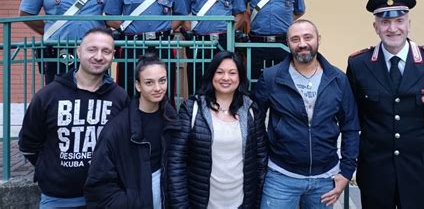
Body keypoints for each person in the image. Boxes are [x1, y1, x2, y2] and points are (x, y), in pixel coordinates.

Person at [346, 0, 424, 209]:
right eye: (385, 22)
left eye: (399, 20)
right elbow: (354, 117)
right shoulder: (359, 64)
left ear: (409, 24)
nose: (393, 28)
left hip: (422, 171)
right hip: (377, 172)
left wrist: (418, 145)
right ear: (375, 27)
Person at [18, 27, 128, 209]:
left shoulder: (119, 97)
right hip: (58, 199)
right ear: (78, 51)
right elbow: (28, 144)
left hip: (105, 197)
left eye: (106, 51)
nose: (99, 56)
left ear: (113, 55)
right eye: (92, 49)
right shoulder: (48, 95)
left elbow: (123, 145)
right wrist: (51, 170)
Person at [254, 19, 359, 208]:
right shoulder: (271, 78)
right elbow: (255, 123)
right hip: (281, 177)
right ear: (288, 43)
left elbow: (351, 126)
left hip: (325, 179)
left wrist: (346, 172)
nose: (302, 44)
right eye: (295, 39)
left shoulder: (337, 79)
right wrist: (262, 159)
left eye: (307, 37)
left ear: (318, 39)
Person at [168, 51, 267, 209]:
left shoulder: (251, 111)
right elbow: (176, 162)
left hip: (241, 203)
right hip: (201, 203)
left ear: (240, 77)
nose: (226, 78)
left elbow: (261, 160)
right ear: (211, 75)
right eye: (219, 72)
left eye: (232, 73)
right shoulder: (192, 108)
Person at [84, 53, 180, 208]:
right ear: (138, 85)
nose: (157, 88)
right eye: (149, 82)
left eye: (162, 81)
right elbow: (98, 185)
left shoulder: (173, 121)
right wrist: (132, 202)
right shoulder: (117, 128)